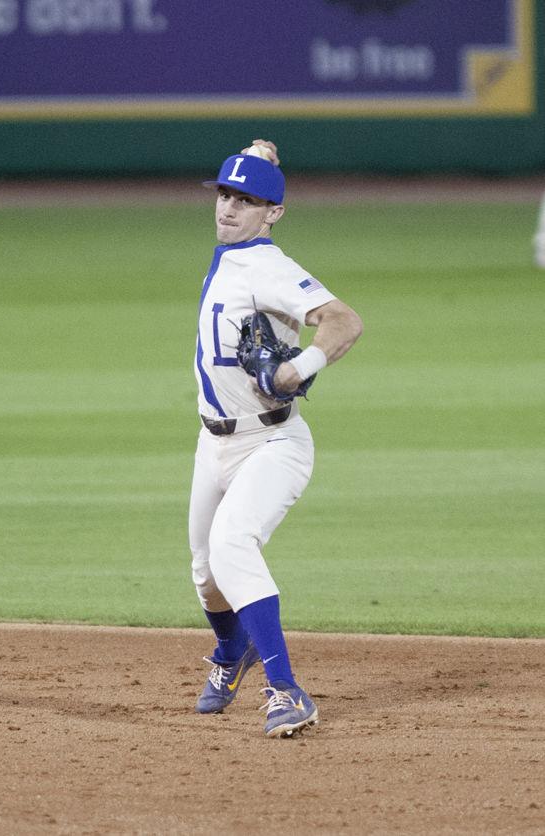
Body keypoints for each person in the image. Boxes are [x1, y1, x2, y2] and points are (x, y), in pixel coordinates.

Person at [189, 139, 363, 738]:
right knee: (206, 574)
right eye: (226, 195)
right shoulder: (234, 256)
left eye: (248, 200)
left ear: (273, 213)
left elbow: (345, 321)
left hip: (272, 444)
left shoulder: (269, 268)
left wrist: (297, 369)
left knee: (234, 545)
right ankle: (230, 652)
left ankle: (287, 691)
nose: (230, 209)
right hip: (213, 444)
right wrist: (256, 153)